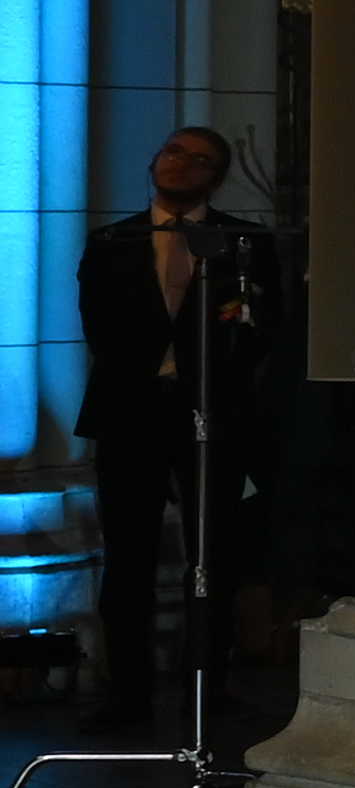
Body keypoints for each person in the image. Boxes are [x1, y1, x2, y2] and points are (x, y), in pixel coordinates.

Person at [75, 127, 289, 739]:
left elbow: (263, 323)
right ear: (154, 159)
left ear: (215, 178)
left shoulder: (241, 240)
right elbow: (100, 326)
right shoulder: (113, 240)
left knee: (211, 556)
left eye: (201, 161)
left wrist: (216, 367)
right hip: (131, 414)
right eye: (174, 152)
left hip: (212, 414)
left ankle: (208, 685)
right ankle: (129, 691)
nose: (183, 165)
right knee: (129, 558)